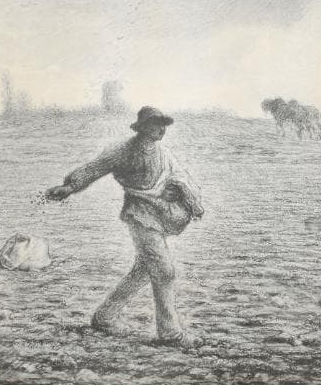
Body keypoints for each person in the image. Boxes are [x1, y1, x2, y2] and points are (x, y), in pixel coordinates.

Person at [45, 106, 205, 348]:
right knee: (164, 271)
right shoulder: (124, 151)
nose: (161, 129)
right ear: (142, 127)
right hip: (139, 215)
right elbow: (96, 167)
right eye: (156, 124)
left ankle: (104, 317)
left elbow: (178, 176)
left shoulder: (163, 152)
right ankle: (170, 333)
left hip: (160, 213)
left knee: (143, 271)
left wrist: (182, 194)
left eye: (163, 125)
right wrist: (70, 186)